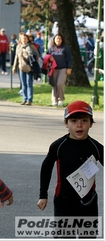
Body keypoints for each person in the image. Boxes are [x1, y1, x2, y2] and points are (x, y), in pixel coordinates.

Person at [37, 101, 103, 238]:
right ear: (66, 123)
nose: (79, 125)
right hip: (64, 203)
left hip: (88, 204)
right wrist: (43, 195)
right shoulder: (59, 146)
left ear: (91, 123)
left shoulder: (96, 148)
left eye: (84, 120)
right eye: (74, 120)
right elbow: (46, 167)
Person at [12, 32, 40, 106]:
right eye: (22, 39)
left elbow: (37, 55)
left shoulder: (31, 46)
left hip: (29, 68)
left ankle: (29, 100)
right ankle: (24, 99)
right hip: (21, 68)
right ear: (20, 39)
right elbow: (16, 57)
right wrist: (14, 67)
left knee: (29, 84)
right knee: (23, 84)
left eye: (25, 38)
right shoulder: (18, 47)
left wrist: (29, 56)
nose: (24, 40)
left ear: (28, 39)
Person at [47, 33, 73, 107]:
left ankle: (61, 99)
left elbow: (69, 59)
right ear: (54, 40)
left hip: (63, 68)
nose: (58, 40)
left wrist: (69, 68)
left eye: (60, 39)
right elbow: (47, 57)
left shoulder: (65, 48)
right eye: (57, 38)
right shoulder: (51, 48)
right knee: (54, 84)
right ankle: (54, 100)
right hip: (53, 69)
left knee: (60, 83)